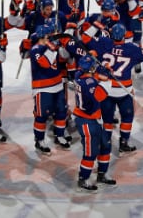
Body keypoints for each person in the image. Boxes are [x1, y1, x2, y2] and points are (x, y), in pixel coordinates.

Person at [93, 22, 143, 155]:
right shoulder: (131, 48)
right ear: (124, 35)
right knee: (127, 117)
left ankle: (105, 144)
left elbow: (87, 41)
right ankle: (123, 143)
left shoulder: (103, 43)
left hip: (106, 89)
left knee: (107, 120)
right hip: (124, 90)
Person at [73, 55, 115, 192]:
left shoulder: (79, 75)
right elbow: (100, 95)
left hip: (94, 118)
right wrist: (108, 79)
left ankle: (102, 174)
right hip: (86, 120)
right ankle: (83, 179)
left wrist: (103, 74)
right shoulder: (89, 83)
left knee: (105, 146)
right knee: (91, 152)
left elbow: (93, 77)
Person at [29, 24, 72, 155]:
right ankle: (39, 140)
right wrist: (52, 48)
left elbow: (65, 58)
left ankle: (60, 135)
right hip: (42, 88)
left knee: (61, 112)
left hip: (57, 85)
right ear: (44, 36)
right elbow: (45, 63)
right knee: (41, 116)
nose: (53, 37)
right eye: (50, 35)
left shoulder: (53, 47)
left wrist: (64, 45)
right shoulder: (35, 49)